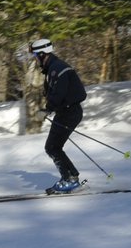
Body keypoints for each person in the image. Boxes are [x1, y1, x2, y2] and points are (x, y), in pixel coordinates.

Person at [29, 37, 87, 193]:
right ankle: (71, 177)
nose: (35, 60)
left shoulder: (57, 68)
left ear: (42, 54)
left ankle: (71, 180)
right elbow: (56, 93)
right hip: (66, 112)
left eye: (35, 56)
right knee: (53, 147)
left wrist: (47, 109)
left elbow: (59, 94)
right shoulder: (53, 69)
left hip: (70, 112)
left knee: (53, 147)